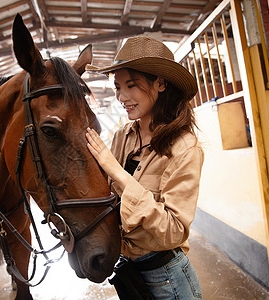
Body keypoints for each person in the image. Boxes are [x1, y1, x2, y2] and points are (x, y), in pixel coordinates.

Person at [85, 36, 204, 299]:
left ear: (160, 83)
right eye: (117, 87)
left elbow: (174, 230)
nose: (121, 96)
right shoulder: (122, 137)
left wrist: (116, 172)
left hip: (168, 279)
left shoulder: (185, 148)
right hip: (129, 274)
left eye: (131, 85)